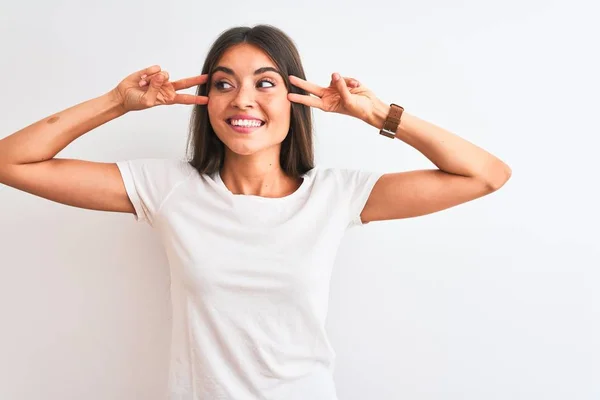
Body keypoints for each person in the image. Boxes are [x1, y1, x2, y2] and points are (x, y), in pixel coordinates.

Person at [0, 25, 511, 400]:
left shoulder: (336, 197)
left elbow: (486, 174)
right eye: (223, 84)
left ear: (297, 98)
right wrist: (117, 102)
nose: (242, 100)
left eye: (265, 83)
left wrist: (377, 113)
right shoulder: (167, 189)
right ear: (206, 100)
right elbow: (11, 161)